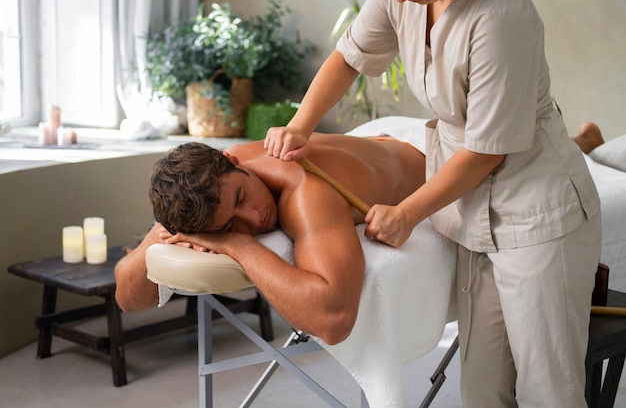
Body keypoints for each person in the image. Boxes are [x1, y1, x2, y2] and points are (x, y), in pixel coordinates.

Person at [262, 0, 602, 407]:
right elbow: (351, 55)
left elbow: (486, 151)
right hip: (472, 209)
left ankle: (590, 142)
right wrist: (300, 126)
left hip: (536, 211)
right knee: (481, 391)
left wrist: (407, 214)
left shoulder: (502, 16)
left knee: (547, 391)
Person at [115, 132, 426, 345]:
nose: (252, 218)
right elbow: (126, 299)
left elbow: (335, 321)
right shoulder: (207, 186)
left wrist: (238, 244)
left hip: (427, 156)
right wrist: (158, 237)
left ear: (234, 161)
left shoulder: (307, 192)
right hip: (377, 143)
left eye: (241, 197)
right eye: (228, 225)